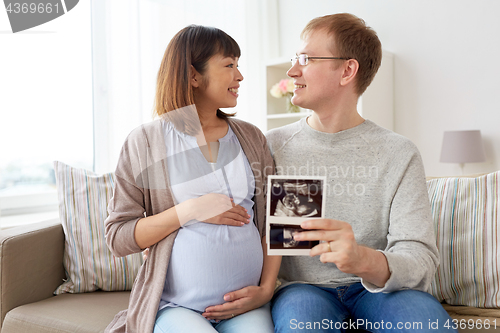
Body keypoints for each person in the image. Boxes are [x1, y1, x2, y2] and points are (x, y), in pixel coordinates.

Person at [266, 13, 458, 332]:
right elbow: (268, 238)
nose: (291, 71)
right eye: (294, 59)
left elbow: (420, 258)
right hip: (303, 288)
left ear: (347, 70)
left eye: (306, 59)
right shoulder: (275, 146)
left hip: (379, 291)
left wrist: (362, 259)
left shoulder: (398, 152)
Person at [104, 25, 280, 333]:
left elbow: (278, 221)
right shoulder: (145, 141)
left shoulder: (251, 137)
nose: (240, 76)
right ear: (194, 75)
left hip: (246, 303)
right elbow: (118, 237)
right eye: (229, 65)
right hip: (177, 306)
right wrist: (191, 210)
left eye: (239, 66)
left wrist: (265, 290)